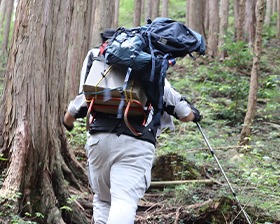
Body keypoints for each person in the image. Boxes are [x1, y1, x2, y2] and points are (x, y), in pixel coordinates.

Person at [63, 30, 202, 224]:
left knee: (103, 200)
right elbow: (183, 113)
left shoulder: (103, 74)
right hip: (136, 142)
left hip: (98, 141)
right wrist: (195, 114)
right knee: (123, 200)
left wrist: (67, 122)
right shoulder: (150, 71)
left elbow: (75, 109)